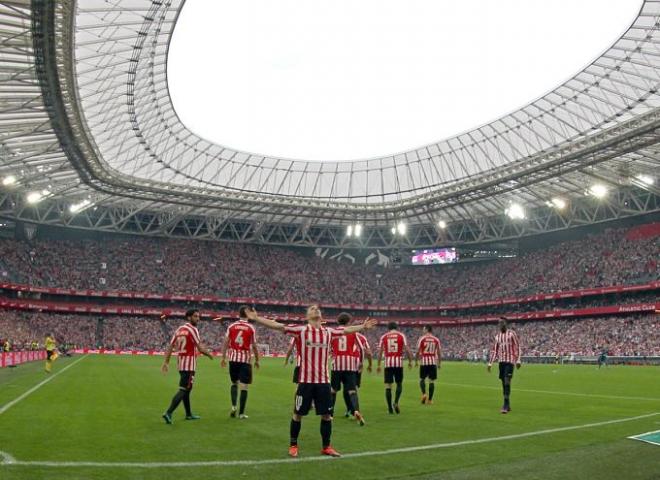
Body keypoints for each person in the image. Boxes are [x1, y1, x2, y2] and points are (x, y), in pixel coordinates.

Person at [246, 305, 375, 458]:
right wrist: (257, 318)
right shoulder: (300, 331)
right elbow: (278, 326)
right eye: (312, 309)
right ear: (307, 316)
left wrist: (363, 327)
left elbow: (346, 330)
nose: (315, 309)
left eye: (317, 308)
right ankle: (293, 445)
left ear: (321, 316)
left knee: (327, 415)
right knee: (297, 414)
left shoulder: (328, 332)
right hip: (305, 382)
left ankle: (326, 446)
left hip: (323, 382)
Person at [161, 309, 214, 424]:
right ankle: (169, 412)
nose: (198, 319)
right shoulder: (193, 329)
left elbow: (170, 346)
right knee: (183, 389)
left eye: (198, 316)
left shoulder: (179, 330)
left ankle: (188, 414)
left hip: (180, 364)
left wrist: (166, 362)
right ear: (189, 317)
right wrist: (209, 354)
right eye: (195, 316)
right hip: (189, 365)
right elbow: (199, 348)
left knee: (187, 390)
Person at [329, 313, 370, 426]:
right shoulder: (352, 331)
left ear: (338, 321)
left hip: (337, 363)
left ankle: (330, 414)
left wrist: (332, 355)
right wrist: (361, 362)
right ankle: (356, 410)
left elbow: (329, 348)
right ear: (349, 321)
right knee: (352, 390)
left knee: (333, 390)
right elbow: (361, 348)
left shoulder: (333, 332)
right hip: (350, 364)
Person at [221, 306, 260, 419]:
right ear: (246, 313)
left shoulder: (231, 326)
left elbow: (225, 342)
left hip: (233, 359)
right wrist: (257, 360)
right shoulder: (250, 327)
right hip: (245, 360)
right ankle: (241, 413)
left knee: (234, 383)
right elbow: (254, 346)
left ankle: (233, 406)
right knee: (244, 386)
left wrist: (223, 357)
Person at [487, 318, 522, 414]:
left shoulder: (511, 334)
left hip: (510, 361)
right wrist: (490, 363)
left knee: (507, 381)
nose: (500, 324)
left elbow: (518, 346)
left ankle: (505, 405)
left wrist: (518, 360)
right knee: (504, 383)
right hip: (501, 362)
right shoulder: (497, 336)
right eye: (499, 323)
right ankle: (508, 404)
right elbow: (494, 350)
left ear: (506, 324)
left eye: (502, 323)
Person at [377, 322, 413, 414]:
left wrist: (378, 365)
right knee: (399, 384)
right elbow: (407, 349)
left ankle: (389, 409)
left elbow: (380, 352)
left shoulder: (384, 336)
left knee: (388, 386)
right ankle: (396, 402)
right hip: (398, 363)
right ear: (396, 327)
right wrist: (410, 361)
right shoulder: (401, 336)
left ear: (388, 328)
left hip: (388, 363)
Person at [415, 325, 441, 405]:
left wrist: (416, 361)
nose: (423, 330)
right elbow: (439, 353)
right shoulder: (436, 339)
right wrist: (439, 363)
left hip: (424, 362)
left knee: (422, 379)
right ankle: (429, 400)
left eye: (423, 329)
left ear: (427, 329)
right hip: (432, 362)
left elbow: (417, 351)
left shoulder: (422, 338)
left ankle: (424, 394)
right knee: (431, 381)